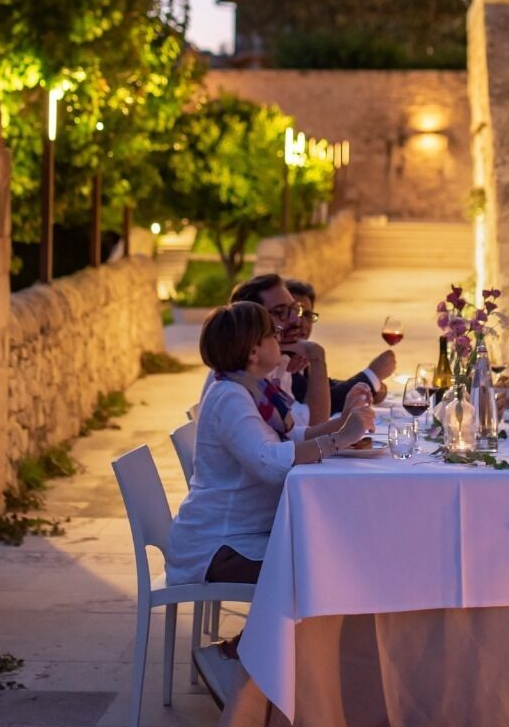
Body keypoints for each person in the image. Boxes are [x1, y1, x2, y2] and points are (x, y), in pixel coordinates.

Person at [169, 302, 375, 703]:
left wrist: (342, 421)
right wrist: (340, 439)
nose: (278, 337)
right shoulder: (229, 397)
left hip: (240, 533)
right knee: (317, 569)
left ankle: (288, 677)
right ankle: (238, 660)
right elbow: (267, 462)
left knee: (324, 558)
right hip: (218, 545)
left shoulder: (252, 390)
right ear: (252, 351)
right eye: (269, 334)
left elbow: (287, 440)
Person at [221, 274, 330, 431]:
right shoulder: (237, 375)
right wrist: (316, 355)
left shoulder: (278, 361)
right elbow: (315, 426)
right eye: (281, 312)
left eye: (295, 309)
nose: (296, 320)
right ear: (251, 321)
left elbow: (301, 426)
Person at [286, 279, 397, 411]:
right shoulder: (279, 360)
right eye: (294, 313)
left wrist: (369, 386)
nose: (300, 323)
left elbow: (327, 385)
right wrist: (372, 375)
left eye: (307, 315)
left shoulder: (299, 353)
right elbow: (325, 405)